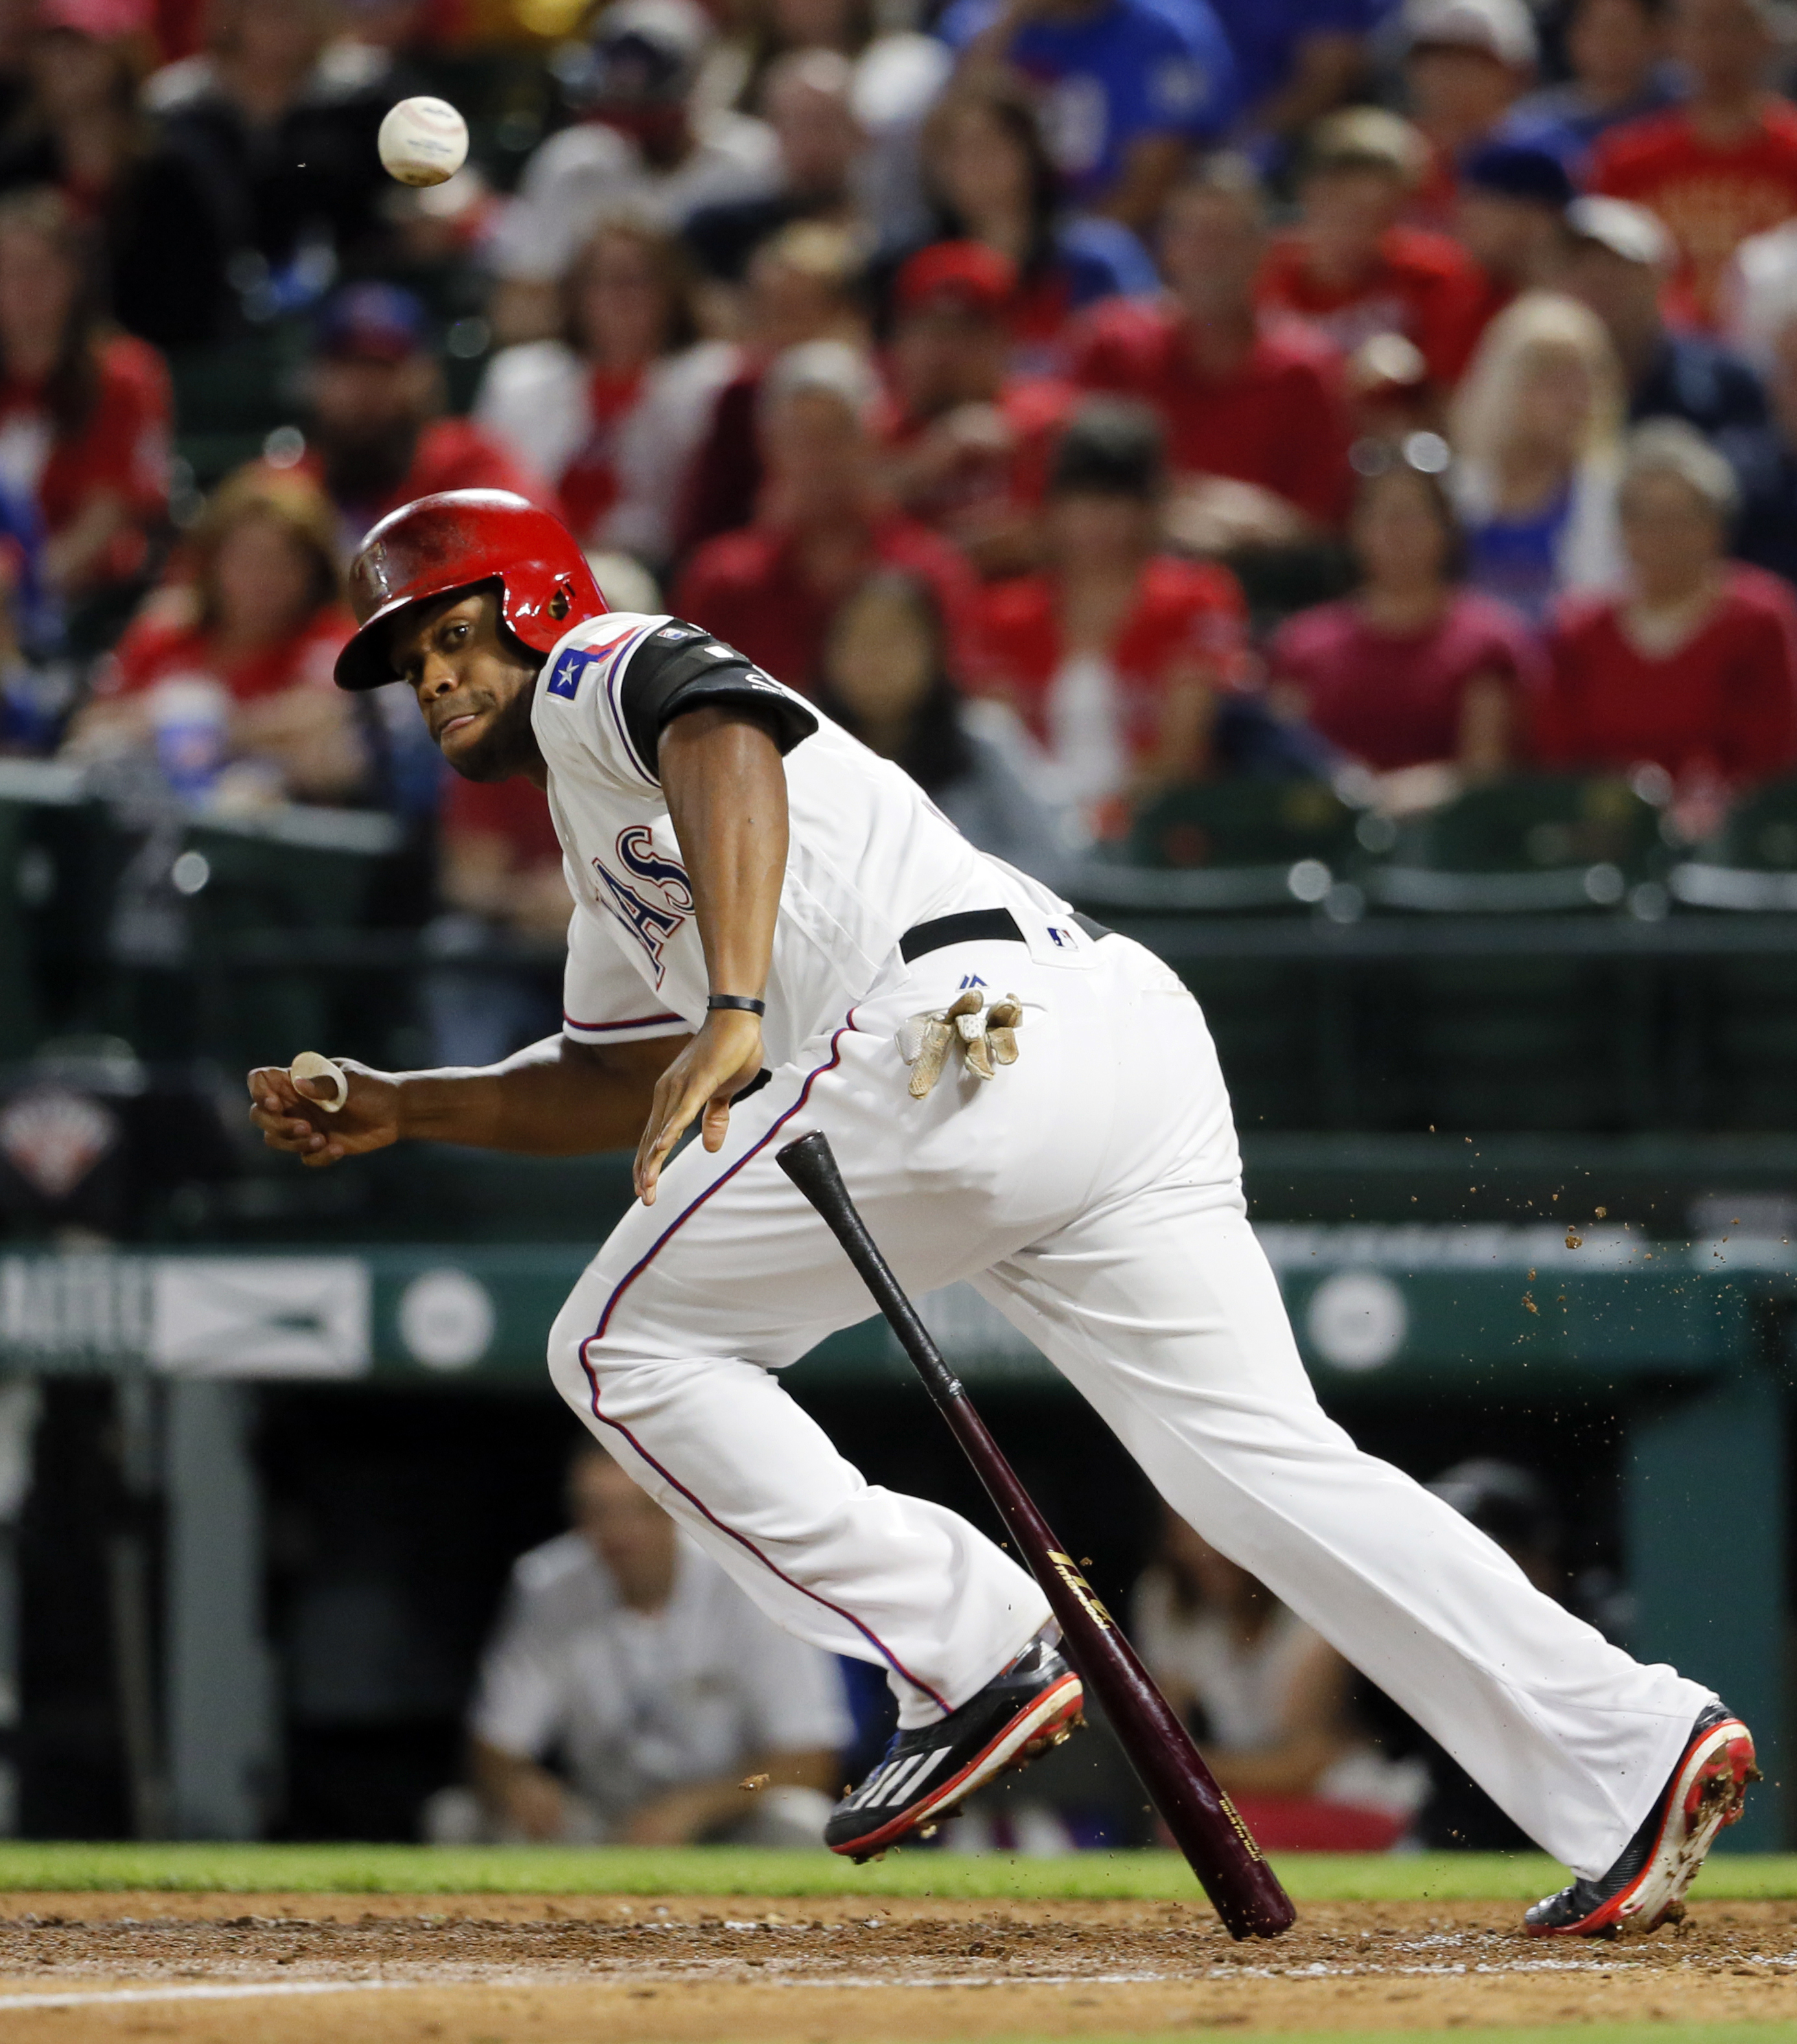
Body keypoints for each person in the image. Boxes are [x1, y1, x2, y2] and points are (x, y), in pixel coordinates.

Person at [249, 480, 1755, 1939]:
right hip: (1102, 1039)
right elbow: (598, 1072)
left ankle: (966, 1644)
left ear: (539, 605)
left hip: (955, 1030)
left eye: (456, 633)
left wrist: (733, 1000)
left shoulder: (602, 666)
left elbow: (718, 726)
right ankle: (1632, 1745)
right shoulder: (604, 848)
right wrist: (411, 1098)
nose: (434, 674)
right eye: (410, 657)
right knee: (1263, 1472)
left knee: (614, 1347)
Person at [461, 1443, 850, 1843]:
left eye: (639, 1510)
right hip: (600, 1822)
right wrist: (520, 1785)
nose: (618, 1532)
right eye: (598, 1510)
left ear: (674, 1510)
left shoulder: (748, 1582)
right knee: (459, 1817)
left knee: (800, 1816)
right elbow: (495, 1745)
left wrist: (694, 1807)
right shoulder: (547, 1583)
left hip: (729, 1814)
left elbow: (809, 1762)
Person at [970, 398, 1254, 828]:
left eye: (1116, 501)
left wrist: (1099, 819)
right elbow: (1002, 753)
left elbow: (1179, 751)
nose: (1098, 520)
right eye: (1081, 500)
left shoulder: (1198, 598)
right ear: (1054, 509)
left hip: (1158, 832)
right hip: (1032, 835)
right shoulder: (1002, 615)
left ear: (1148, 511)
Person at [1069, 155, 1354, 551]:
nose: (1210, 255)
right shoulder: (1113, 347)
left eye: (1227, 237)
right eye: (1194, 236)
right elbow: (1075, 495)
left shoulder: (1306, 368)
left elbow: (1322, 522)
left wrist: (1249, 519)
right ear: (1167, 250)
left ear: (1262, 252)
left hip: (1265, 577)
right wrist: (1183, 512)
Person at [673, 338, 978, 688]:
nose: (818, 459)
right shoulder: (721, 580)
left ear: (873, 441)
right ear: (769, 449)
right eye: (800, 438)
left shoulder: (931, 572)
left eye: (836, 435)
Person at [1131, 1506, 1429, 1851]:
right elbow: (1166, 1744)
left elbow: (1309, 1764)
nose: (1204, 1549)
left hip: (1348, 1795)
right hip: (1243, 1792)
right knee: (1177, 1827)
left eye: (1215, 1531)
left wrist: (1194, 1771)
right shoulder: (1165, 1601)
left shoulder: (1313, 1606)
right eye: (1187, 1528)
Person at [1538, 418, 1797, 810]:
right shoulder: (1576, 628)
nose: (1663, 537)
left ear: (1717, 527)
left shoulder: (1760, 619)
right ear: (1621, 529)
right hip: (1601, 835)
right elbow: (1556, 760)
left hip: (1725, 842)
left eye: (1682, 519)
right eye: (1644, 519)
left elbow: (1773, 755)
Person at [66, 464, 364, 805]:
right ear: (213, 562)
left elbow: (322, 724)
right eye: (246, 558)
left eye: (284, 561)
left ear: (314, 572)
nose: (262, 579)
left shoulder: (331, 640)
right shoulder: (169, 629)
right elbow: (91, 725)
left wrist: (197, 724)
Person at [491, 0, 781, 345]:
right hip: (592, 364)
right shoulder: (575, 159)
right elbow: (516, 313)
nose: (633, 118)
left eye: (649, 102)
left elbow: (777, 311)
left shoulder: (750, 159)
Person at [1268, 442, 1539, 805]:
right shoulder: (1303, 644)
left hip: (1443, 843)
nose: (1397, 532)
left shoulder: (1488, 642)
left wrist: (1401, 794)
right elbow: (1284, 763)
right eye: (1380, 515)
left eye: (1413, 514)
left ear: (1447, 527)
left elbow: (1485, 772)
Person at [474, 215, 737, 573]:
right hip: (534, 564)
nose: (621, 297)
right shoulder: (519, 377)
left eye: (638, 281)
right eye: (603, 281)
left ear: (673, 291)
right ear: (575, 294)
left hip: (659, 566)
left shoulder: (713, 379)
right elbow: (490, 494)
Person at [818, 568, 1077, 886]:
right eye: (858, 638)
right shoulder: (799, 750)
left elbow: (1053, 858)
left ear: (936, 649)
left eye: (893, 639)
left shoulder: (984, 738)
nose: (875, 658)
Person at [0, 0, 234, 349]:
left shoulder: (174, 173)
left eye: (81, 46)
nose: (64, 62)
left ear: (121, 55)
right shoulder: (16, 170)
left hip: (166, 365)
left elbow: (200, 297)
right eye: (50, 47)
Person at [900, 77, 1158, 373]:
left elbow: (1145, 351)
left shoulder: (1098, 256)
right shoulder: (923, 271)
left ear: (1030, 152)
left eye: (988, 145)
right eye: (954, 153)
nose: (974, 165)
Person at [146, 0, 400, 301]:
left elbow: (438, 176)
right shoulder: (175, 104)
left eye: (293, 10)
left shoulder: (366, 90)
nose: (280, 24)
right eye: (265, 9)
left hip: (353, 287)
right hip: (204, 294)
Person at [0, 185, 169, 606]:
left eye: (39, 269)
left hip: (95, 599)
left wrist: (24, 592)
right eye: (9, 271)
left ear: (73, 276)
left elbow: (107, 518)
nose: (24, 288)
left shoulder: (123, 376)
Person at [937, 0, 1238, 230]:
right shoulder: (982, 26)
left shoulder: (1165, 30)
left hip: (1134, 246)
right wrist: (1009, 22)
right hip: (1012, 244)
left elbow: (1157, 180)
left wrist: (1057, 248)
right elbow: (950, 137)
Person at [1589, 0, 1797, 330]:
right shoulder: (1628, 158)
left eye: (1734, 27)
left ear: (1767, 37)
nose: (1718, 45)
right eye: (1703, 27)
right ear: (1673, 39)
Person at [1255, 108, 1487, 393]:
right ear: (1308, 196)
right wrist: (1345, 375)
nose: (1355, 228)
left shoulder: (1434, 274)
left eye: (1376, 212)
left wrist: (1416, 368)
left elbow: (1449, 386)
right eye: (1341, 206)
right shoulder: (1262, 272)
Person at [879, 240, 1075, 577]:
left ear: (1005, 340)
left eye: (967, 333)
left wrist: (1041, 537)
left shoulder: (1052, 420)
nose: (945, 352)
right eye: (929, 331)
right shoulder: (875, 430)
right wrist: (930, 458)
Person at [298, 283, 540, 555]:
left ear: (425, 378)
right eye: (347, 368)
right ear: (316, 379)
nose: (364, 387)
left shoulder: (472, 465)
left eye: (384, 369)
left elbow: (532, 551)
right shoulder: (292, 487)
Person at [673, 220, 868, 557]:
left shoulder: (879, 392)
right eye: (767, 308)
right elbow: (703, 524)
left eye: (796, 307)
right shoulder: (740, 399)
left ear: (842, 313)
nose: (777, 323)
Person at [1449, 290, 1627, 623]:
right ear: (1504, 384)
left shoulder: (1619, 500)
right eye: (1553, 380)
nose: (1576, 400)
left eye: (1586, 380)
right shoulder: (1453, 496)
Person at [1559, 195, 1768, 442]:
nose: (1596, 279)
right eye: (1578, 265)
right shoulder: (1526, 384)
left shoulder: (1726, 383)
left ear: (1660, 279)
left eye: (1617, 266)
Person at [682, 49, 866, 290]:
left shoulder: (893, 237)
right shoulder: (718, 236)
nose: (811, 141)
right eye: (796, 123)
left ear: (859, 132)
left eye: (825, 123)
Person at [1400, 0, 1538, 226]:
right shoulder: (1388, 152)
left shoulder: (1541, 161)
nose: (1450, 73)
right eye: (1435, 57)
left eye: (1474, 60)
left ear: (1519, 74)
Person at [1502, 0, 1683, 167]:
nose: (1607, 43)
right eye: (1592, 27)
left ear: (1655, 35)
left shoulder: (1684, 111)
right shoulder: (1534, 125)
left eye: (1619, 30)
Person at [1452, 139, 1576, 341]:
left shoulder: (1586, 301)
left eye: (1481, 207)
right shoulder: (1469, 298)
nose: (1462, 220)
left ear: (1537, 216)